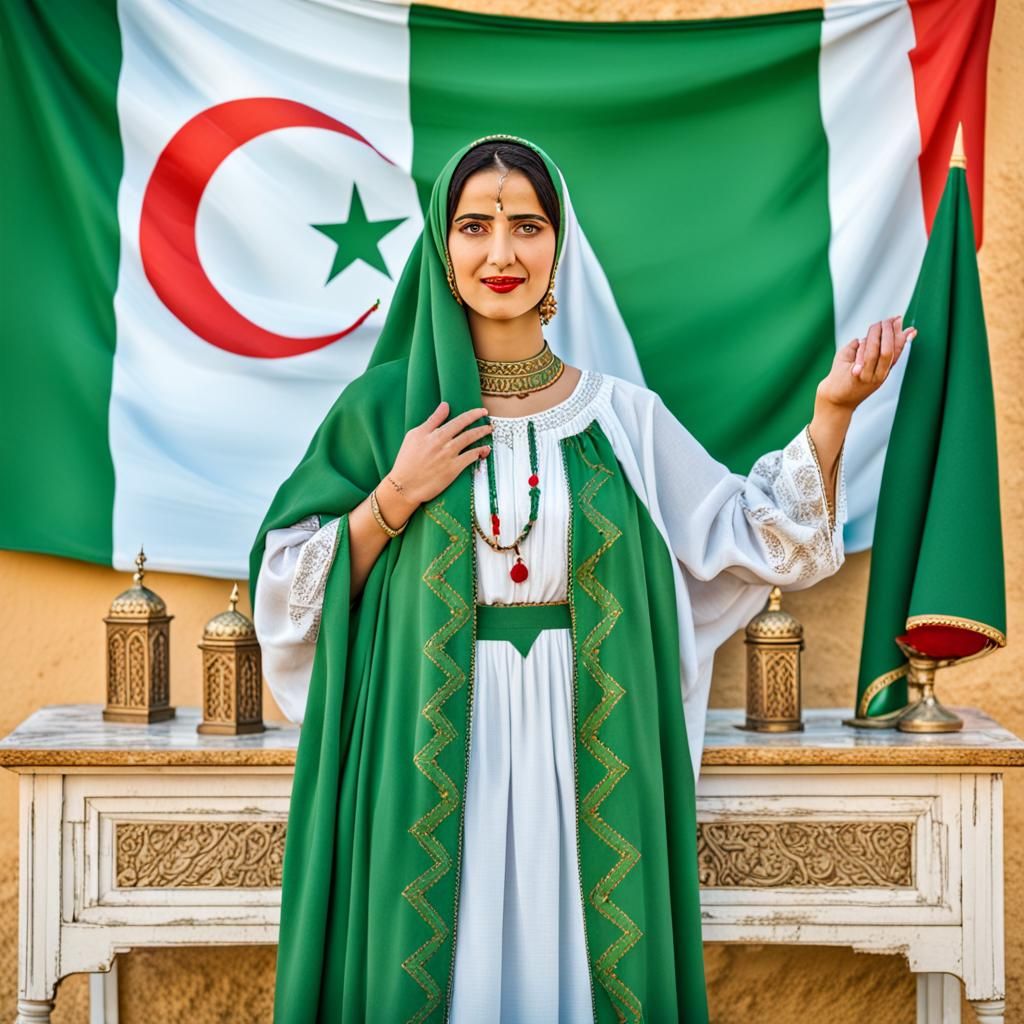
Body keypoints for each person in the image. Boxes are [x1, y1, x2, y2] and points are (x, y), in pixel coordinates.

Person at [249, 134, 912, 1023]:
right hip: (430, 751)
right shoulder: (385, 414)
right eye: (475, 226)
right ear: (443, 252)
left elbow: (760, 536)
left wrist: (832, 412)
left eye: (526, 225)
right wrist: (392, 498)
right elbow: (287, 585)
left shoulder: (621, 419)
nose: (501, 252)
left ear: (558, 248)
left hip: (589, 746)